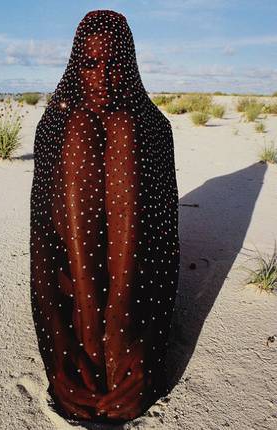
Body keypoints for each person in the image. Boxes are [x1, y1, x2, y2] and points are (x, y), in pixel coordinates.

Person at [29, 10, 179, 422]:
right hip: (74, 302)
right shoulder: (56, 126)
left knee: (125, 129)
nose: (104, 76)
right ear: (78, 66)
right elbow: (44, 250)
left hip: (137, 305)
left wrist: (144, 349)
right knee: (76, 128)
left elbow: (163, 249)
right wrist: (60, 352)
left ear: (129, 65)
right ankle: (90, 350)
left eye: (116, 64)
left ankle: (117, 351)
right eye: (93, 63)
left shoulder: (152, 128)